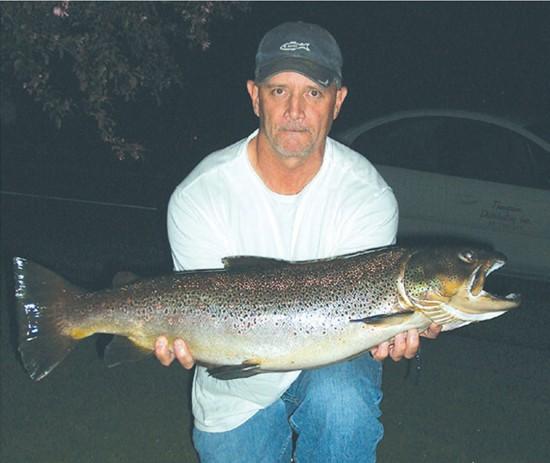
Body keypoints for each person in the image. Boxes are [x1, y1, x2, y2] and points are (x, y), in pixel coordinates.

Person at [155, 21, 441, 462]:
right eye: (278, 91)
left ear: (337, 102)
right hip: (235, 391)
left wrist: (392, 329)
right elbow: (199, 308)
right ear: (254, 97)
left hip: (331, 370)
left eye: (313, 92)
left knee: (342, 403)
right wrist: (180, 336)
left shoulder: (367, 195)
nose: (294, 110)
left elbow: (366, 318)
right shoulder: (200, 196)